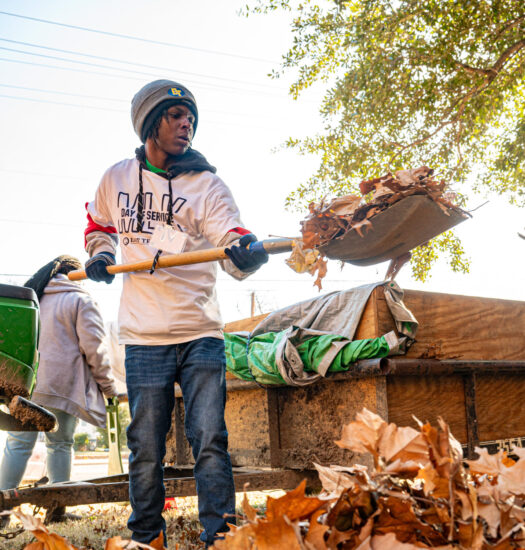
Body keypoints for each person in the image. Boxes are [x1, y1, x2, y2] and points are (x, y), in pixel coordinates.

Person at [83, 79, 268, 547]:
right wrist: (101, 254)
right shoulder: (117, 178)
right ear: (150, 122)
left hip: (200, 333)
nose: (187, 124)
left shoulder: (207, 185)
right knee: (146, 447)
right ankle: (146, 536)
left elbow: (232, 236)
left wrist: (245, 253)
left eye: (191, 118)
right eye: (175, 115)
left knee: (210, 440)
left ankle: (220, 536)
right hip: (143, 337)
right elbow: (99, 225)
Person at [0, 255, 119, 523]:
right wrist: (109, 388)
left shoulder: (34, 294)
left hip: (25, 382)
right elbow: (95, 351)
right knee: (60, 444)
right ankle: (57, 510)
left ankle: (1, 511)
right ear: (75, 275)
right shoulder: (80, 300)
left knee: (18, 444)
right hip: (62, 387)